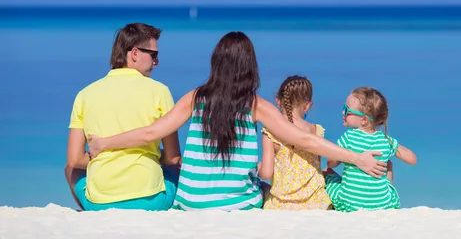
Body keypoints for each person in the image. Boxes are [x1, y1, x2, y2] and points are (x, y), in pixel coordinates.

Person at [88, 31, 387, 211]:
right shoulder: (254, 104)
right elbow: (304, 139)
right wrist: (355, 158)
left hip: (190, 204)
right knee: (267, 192)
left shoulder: (195, 98)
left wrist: (104, 143)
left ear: (216, 62)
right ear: (249, 66)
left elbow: (151, 132)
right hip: (237, 206)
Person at [65, 23, 181, 211]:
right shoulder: (160, 92)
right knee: (175, 168)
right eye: (153, 55)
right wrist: (151, 154)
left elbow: (74, 160)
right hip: (151, 200)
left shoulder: (85, 95)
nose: (156, 62)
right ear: (134, 53)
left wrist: (104, 155)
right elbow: (173, 157)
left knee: (70, 170)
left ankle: (91, 212)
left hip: (100, 204)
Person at [324, 87, 417, 212]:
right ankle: (379, 195)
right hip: (383, 204)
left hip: (349, 204)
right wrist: (393, 146)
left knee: (327, 172)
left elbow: (331, 163)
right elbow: (412, 159)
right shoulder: (386, 140)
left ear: (364, 120)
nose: (342, 113)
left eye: (347, 110)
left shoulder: (348, 137)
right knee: (388, 163)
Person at [258, 75, 331, 210]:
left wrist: (258, 169)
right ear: (308, 105)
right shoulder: (316, 131)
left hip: (282, 205)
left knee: (261, 186)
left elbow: (266, 173)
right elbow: (317, 166)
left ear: (278, 101)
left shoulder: (269, 133)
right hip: (317, 203)